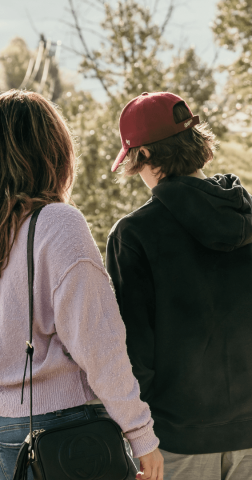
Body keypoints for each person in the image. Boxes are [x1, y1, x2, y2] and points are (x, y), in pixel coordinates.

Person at [106, 91, 252, 480]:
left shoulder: (133, 234)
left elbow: (133, 349)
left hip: (177, 439)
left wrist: (139, 434)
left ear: (141, 156)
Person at [0, 90, 164, 480]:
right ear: (53, 152)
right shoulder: (57, 224)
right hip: (65, 433)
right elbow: (99, 345)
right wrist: (142, 436)